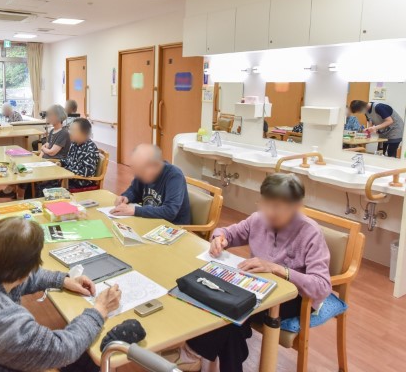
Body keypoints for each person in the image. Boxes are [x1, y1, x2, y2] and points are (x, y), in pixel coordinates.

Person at [168, 174, 331, 372]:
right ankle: (193, 356)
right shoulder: (258, 219)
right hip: (256, 287)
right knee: (229, 315)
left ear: (296, 207)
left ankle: (190, 354)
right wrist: (219, 239)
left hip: (294, 296)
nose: (269, 212)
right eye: (265, 204)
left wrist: (278, 268)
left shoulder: (310, 232)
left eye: (277, 207)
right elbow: (228, 232)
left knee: (231, 312)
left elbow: (322, 286)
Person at [0, 217, 122, 372]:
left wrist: (62, 280)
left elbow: (23, 278)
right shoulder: (3, 320)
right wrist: (99, 310)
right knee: (89, 359)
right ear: (26, 269)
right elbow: (63, 349)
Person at [112, 144, 190, 225]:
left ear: (155, 165)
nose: (138, 174)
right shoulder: (143, 172)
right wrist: (126, 197)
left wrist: (135, 210)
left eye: (141, 170)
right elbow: (135, 191)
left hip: (173, 227)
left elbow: (170, 212)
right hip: (151, 221)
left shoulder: (174, 176)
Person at [36, 118, 99, 195]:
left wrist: (65, 171)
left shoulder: (90, 148)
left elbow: (87, 173)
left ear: (83, 133)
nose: (70, 132)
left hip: (78, 184)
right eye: (70, 129)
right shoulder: (74, 144)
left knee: (44, 190)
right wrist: (60, 163)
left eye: (73, 130)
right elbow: (68, 160)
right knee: (40, 186)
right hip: (68, 179)